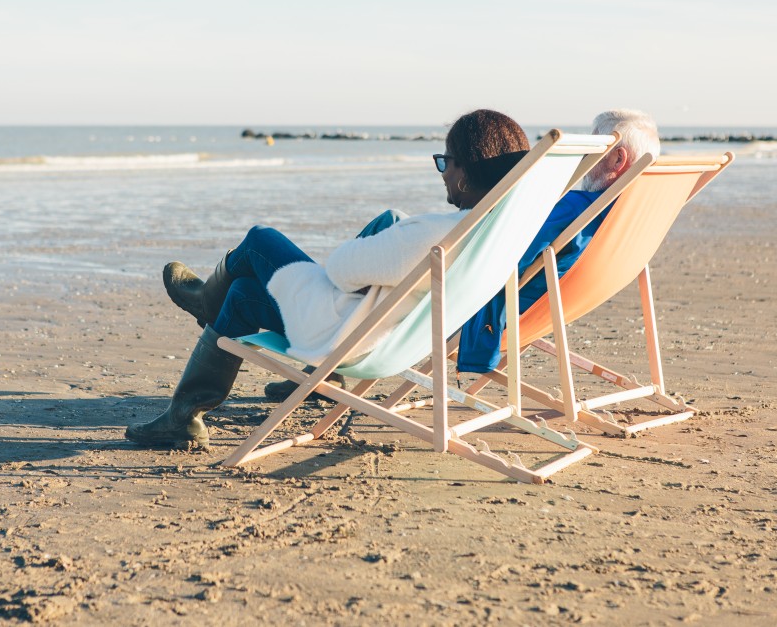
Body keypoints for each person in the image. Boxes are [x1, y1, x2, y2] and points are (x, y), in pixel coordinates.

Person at [125, 109, 532, 447]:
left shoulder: (432, 233)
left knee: (259, 241)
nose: (441, 173)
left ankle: (202, 304)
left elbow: (340, 270)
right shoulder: (500, 233)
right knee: (247, 293)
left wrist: (377, 252)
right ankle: (188, 415)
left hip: (345, 340)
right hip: (393, 336)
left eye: (445, 163)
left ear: (464, 174)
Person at [260, 108, 662, 396]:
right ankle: (324, 363)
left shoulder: (576, 208)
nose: (588, 160)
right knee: (392, 220)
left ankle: (326, 354)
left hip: (472, 300)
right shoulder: (628, 210)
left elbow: (496, 252)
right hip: (536, 298)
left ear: (619, 159)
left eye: (599, 149)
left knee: (274, 253)